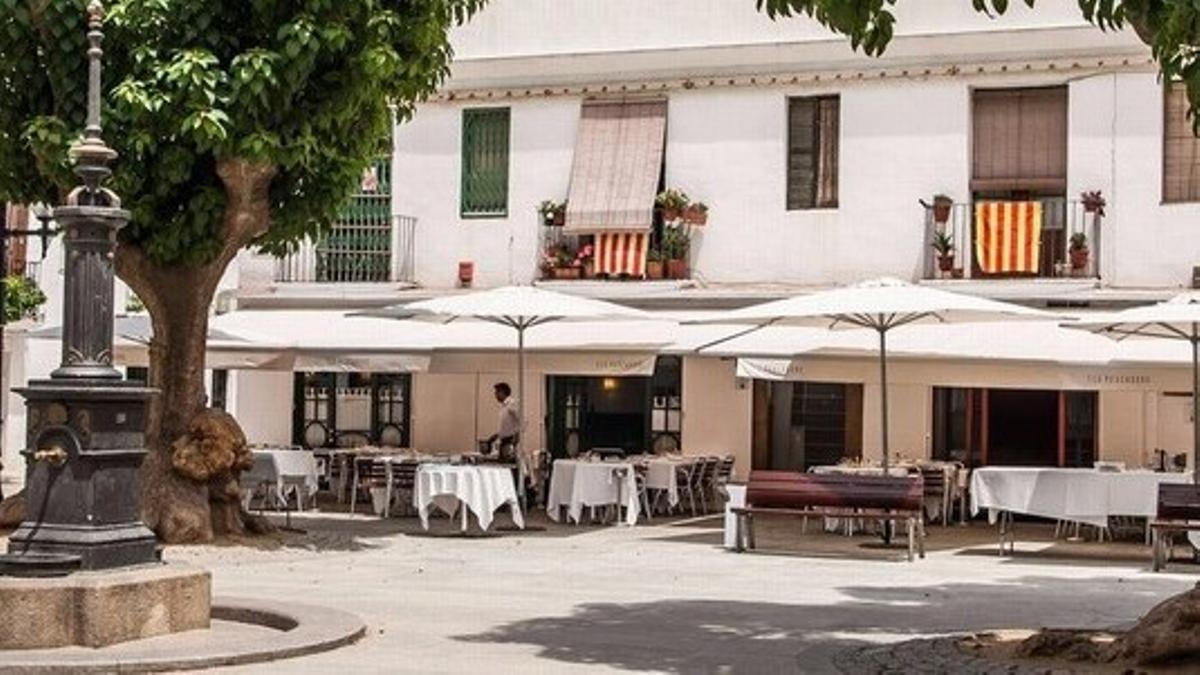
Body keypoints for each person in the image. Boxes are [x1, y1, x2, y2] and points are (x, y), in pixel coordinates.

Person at [486, 382, 521, 462]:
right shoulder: (504, 406)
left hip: (510, 441)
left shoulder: (512, 404)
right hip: (504, 440)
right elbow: (507, 426)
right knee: (503, 463)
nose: (495, 395)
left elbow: (523, 420)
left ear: (502, 392)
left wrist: (517, 435)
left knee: (508, 465)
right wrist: (497, 435)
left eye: (496, 393)